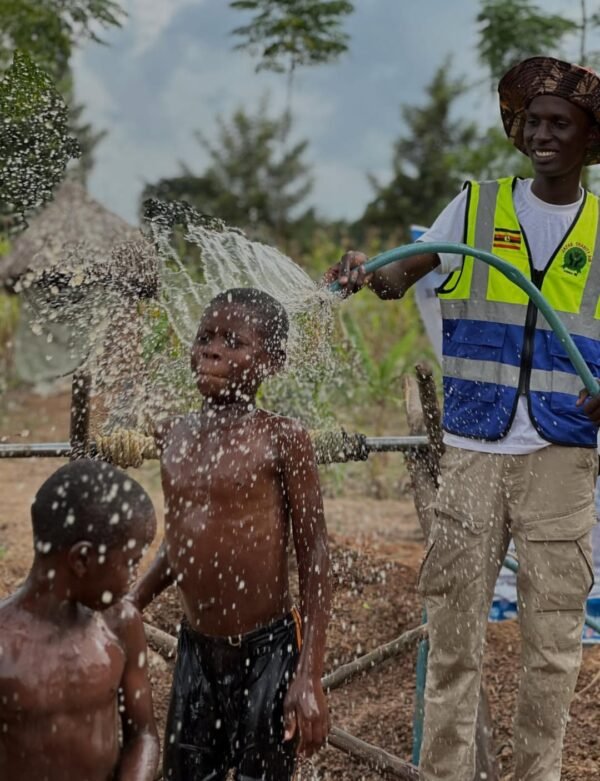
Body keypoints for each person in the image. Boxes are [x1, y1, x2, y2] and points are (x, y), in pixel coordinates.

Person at [326, 56, 600, 781]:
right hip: (476, 448)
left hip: (561, 456)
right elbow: (397, 276)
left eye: (560, 124)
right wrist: (364, 270)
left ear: (587, 139)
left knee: (551, 649)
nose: (542, 134)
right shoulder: (475, 208)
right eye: (533, 121)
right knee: (453, 638)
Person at [130, 287, 331, 781]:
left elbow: (316, 555)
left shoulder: (282, 438)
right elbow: (182, 543)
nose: (212, 350)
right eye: (205, 338)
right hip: (197, 649)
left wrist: (309, 674)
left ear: (272, 361)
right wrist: (132, 601)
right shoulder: (174, 435)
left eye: (233, 341)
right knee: (185, 771)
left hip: (268, 651)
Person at [0, 459, 160, 781]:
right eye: (130, 562)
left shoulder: (121, 625)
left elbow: (143, 736)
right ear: (82, 560)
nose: (134, 577)